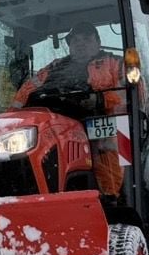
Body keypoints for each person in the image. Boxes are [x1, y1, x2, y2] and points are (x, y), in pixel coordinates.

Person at [10, 22, 124, 199]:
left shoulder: (115, 64)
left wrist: (100, 99)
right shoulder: (55, 67)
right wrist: (11, 121)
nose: (80, 43)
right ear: (69, 45)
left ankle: (112, 196)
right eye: (75, 40)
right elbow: (26, 93)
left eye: (87, 38)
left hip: (102, 121)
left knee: (107, 140)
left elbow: (131, 97)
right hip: (60, 125)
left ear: (98, 42)